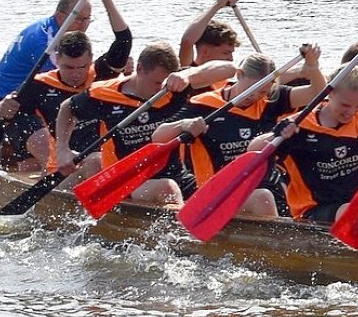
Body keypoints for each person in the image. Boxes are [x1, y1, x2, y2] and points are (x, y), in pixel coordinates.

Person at [253, 18, 358, 225]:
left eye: (357, 106)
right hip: (316, 213)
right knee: (355, 211)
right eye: (345, 106)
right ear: (330, 95)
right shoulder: (300, 124)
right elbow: (253, 150)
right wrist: (275, 135)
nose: (351, 112)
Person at [150, 46, 326, 219]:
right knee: (262, 198)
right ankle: (275, 243)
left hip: (265, 185)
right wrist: (184, 124)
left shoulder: (271, 100)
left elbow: (317, 93)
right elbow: (158, 136)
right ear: (240, 75)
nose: (256, 96)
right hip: (219, 190)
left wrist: (313, 67)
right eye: (252, 89)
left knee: (279, 192)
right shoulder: (205, 104)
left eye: (263, 91)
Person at [52, 42, 235, 205]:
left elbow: (229, 69)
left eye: (164, 84)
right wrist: (62, 149)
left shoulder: (176, 85)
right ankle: (184, 238)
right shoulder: (104, 94)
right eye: (156, 83)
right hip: (125, 179)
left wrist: (189, 73)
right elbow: (67, 107)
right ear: (139, 69)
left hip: (176, 174)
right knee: (167, 188)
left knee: (221, 190)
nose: (161, 90)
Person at [0, 0, 102, 106]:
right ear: (60, 16)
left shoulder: (50, 26)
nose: (84, 25)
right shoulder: (44, 42)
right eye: (79, 19)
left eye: (87, 19)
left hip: (18, 92)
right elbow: (69, 79)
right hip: (6, 99)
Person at [178, 0, 243, 66]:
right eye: (226, 53)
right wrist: (218, 5)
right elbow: (187, 41)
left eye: (231, 53)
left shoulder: (230, 75)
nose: (231, 59)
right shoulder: (188, 72)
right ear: (205, 51)